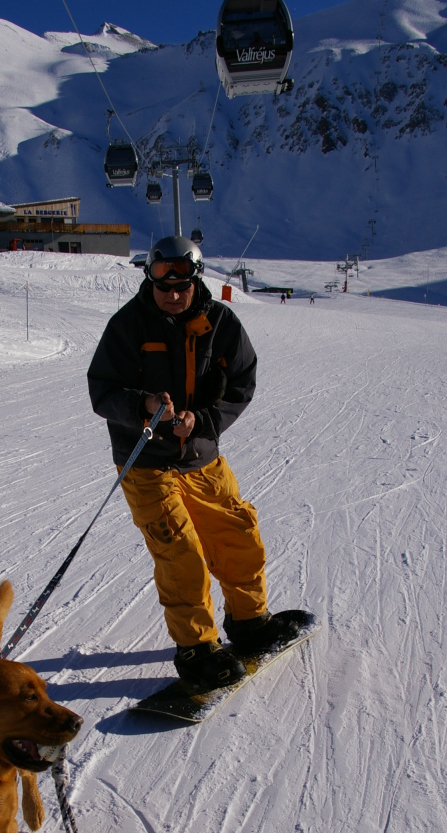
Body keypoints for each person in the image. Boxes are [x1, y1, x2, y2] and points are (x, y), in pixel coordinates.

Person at [88, 236, 306, 690]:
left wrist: (203, 420)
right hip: (147, 462)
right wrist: (144, 404)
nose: (172, 294)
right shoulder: (128, 325)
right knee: (181, 553)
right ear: (150, 281)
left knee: (238, 534)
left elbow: (241, 382)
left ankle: (249, 622)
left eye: (181, 285)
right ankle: (197, 649)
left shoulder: (220, 323)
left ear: (196, 281)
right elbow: (102, 391)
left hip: (201, 456)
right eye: (163, 285)